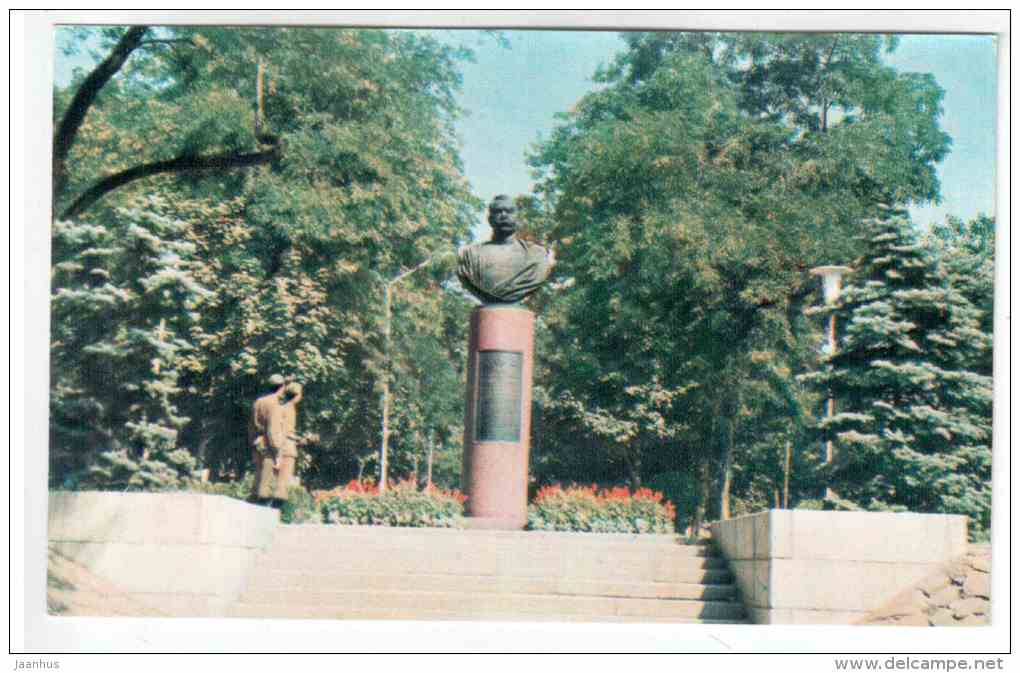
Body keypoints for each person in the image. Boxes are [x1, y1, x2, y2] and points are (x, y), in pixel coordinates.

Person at [457, 195, 554, 304]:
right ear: (489, 219)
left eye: (509, 211)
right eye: (498, 212)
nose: (503, 215)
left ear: (518, 218)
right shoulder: (471, 255)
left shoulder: (536, 254)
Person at [249, 374, 287, 506]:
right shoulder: (275, 404)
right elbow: (273, 430)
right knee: (265, 485)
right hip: (269, 447)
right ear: (281, 387)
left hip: (257, 443)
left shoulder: (259, 401)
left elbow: (252, 426)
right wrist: (277, 451)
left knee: (257, 481)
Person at [274, 381, 303, 501]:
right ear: (297, 395)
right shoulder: (288, 409)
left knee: (281, 486)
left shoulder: (286, 408)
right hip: (286, 450)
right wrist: (278, 456)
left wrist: (299, 439)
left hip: (287, 448)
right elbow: (283, 433)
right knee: (281, 487)